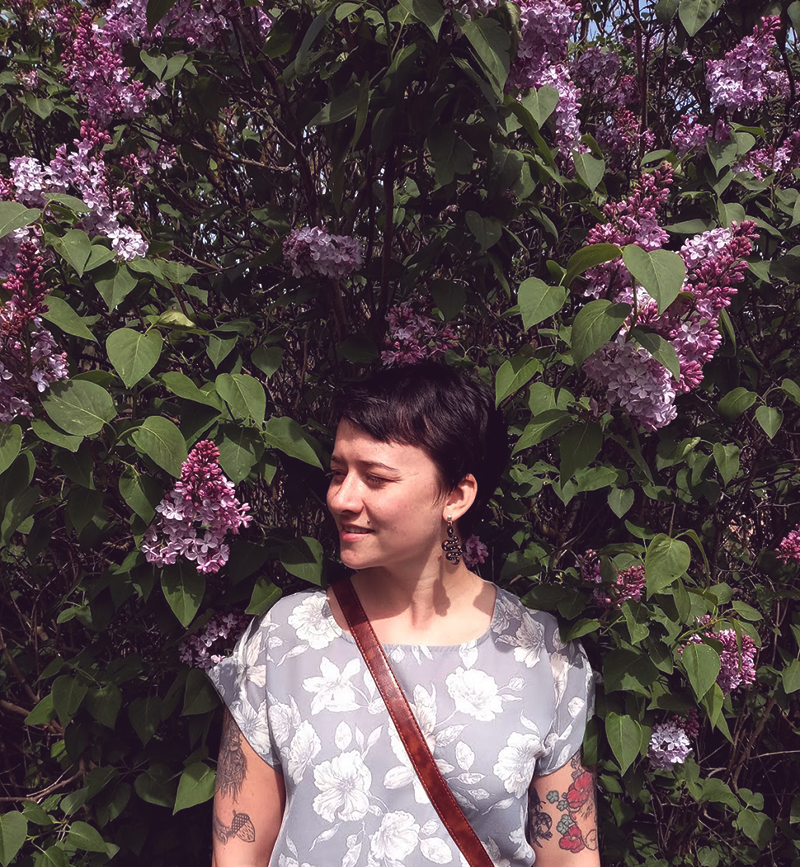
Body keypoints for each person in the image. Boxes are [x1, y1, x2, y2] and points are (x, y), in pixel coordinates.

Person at [208, 362, 598, 867]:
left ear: (456, 496)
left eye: (375, 477)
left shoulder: (540, 656)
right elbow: (238, 849)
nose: (342, 498)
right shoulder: (286, 640)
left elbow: (569, 855)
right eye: (337, 473)